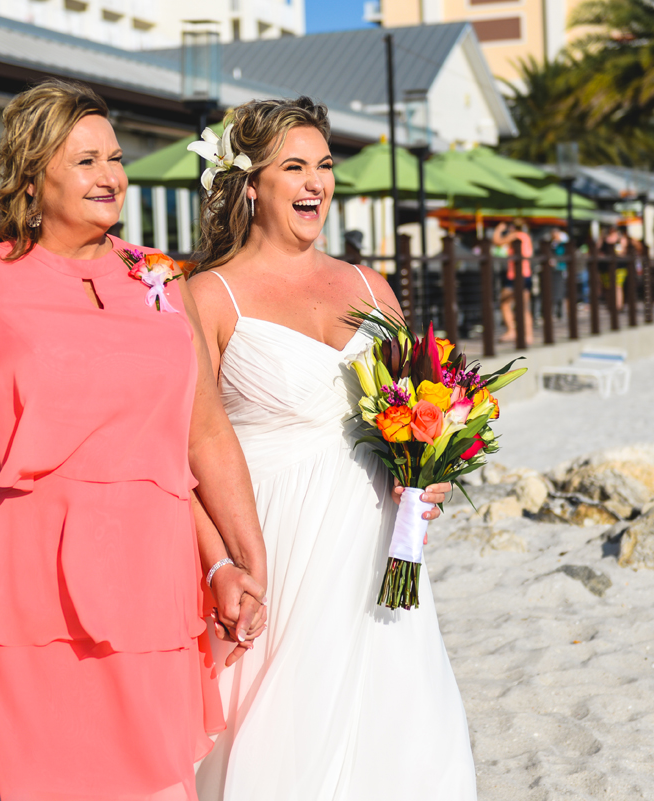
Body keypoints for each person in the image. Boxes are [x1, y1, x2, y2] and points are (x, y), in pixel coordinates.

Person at [0, 79, 269, 801]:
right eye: (85, 160)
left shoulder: (159, 279)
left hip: (148, 583)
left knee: (157, 782)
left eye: (114, 158)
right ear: (31, 175)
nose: (111, 175)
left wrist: (242, 559)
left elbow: (203, 432)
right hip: (16, 587)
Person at [187, 97, 476, 800]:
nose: (316, 181)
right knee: (286, 732)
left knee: (404, 722)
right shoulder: (208, 296)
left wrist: (430, 474)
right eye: (294, 167)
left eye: (323, 165)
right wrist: (219, 559)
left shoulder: (370, 286)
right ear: (250, 183)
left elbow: (422, 403)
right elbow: (177, 455)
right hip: (276, 541)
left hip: (381, 543)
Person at [492, 219, 533, 342]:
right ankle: (528, 335)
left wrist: (499, 229)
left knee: (505, 304)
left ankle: (512, 331)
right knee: (522, 306)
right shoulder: (526, 236)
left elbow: (497, 241)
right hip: (524, 274)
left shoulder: (516, 235)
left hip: (515, 275)